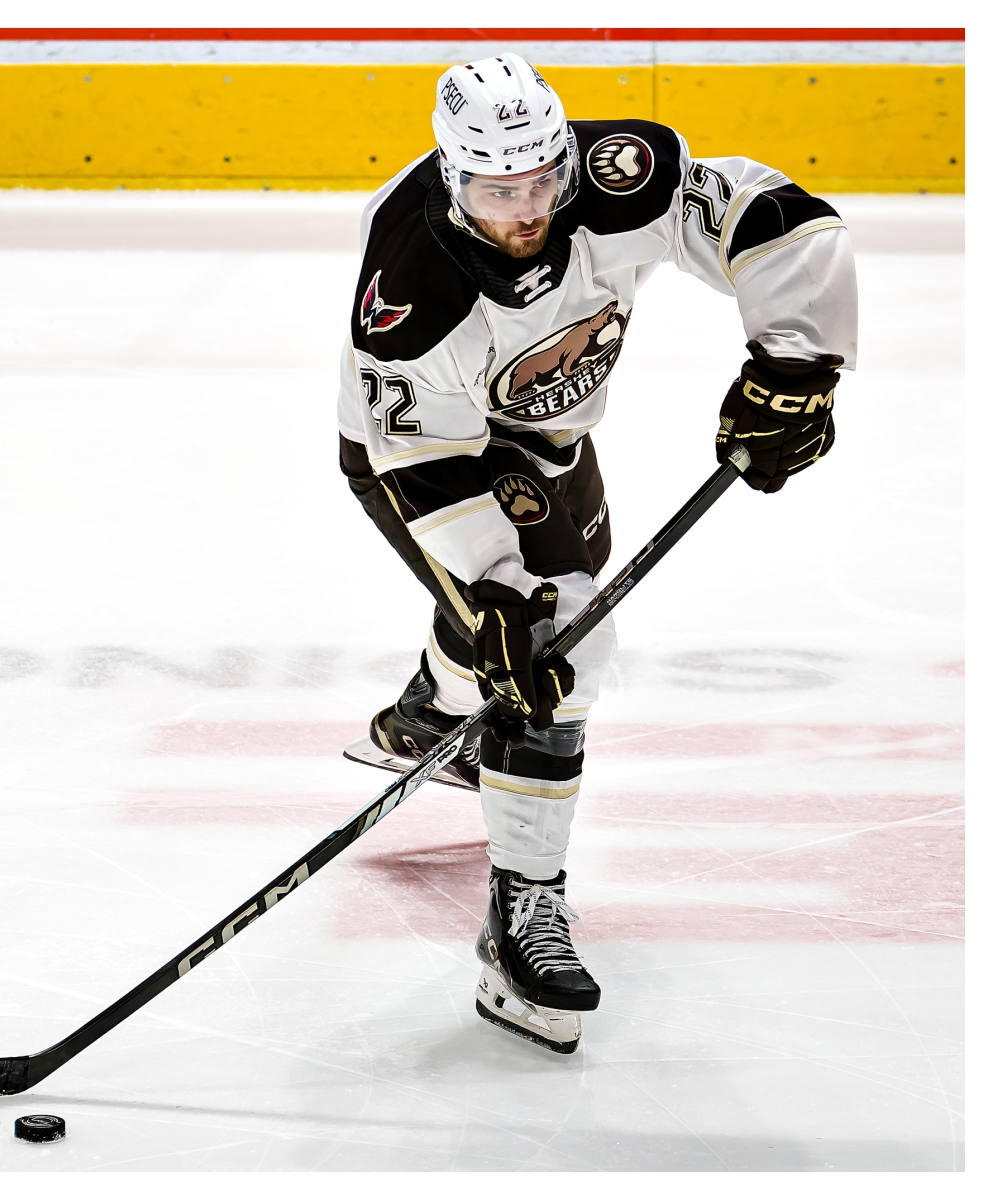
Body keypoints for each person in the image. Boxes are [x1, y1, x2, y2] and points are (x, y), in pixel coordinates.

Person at [337, 54, 856, 1054]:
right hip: (427, 459)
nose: (526, 209)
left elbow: (777, 221)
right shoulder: (410, 281)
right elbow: (421, 457)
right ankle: (522, 912)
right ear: (453, 176)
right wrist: (498, 595)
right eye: (498, 192)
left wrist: (797, 364)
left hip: (555, 437)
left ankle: (429, 715)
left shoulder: (619, 177)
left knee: (516, 631)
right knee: (551, 643)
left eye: (541, 180)